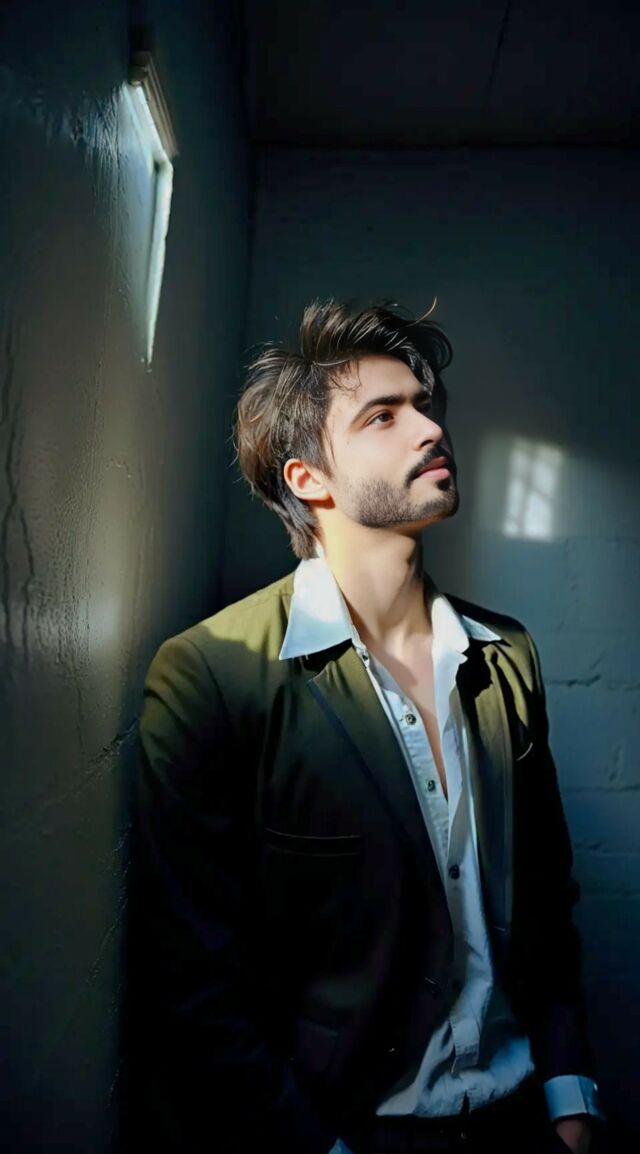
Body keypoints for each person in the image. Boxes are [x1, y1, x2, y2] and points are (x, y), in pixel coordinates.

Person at [127, 299, 606, 1154]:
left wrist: (571, 1104)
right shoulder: (212, 674)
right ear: (308, 478)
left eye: (424, 405)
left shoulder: (506, 656)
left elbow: (547, 902)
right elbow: (193, 981)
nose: (430, 428)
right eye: (383, 416)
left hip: (520, 1120)